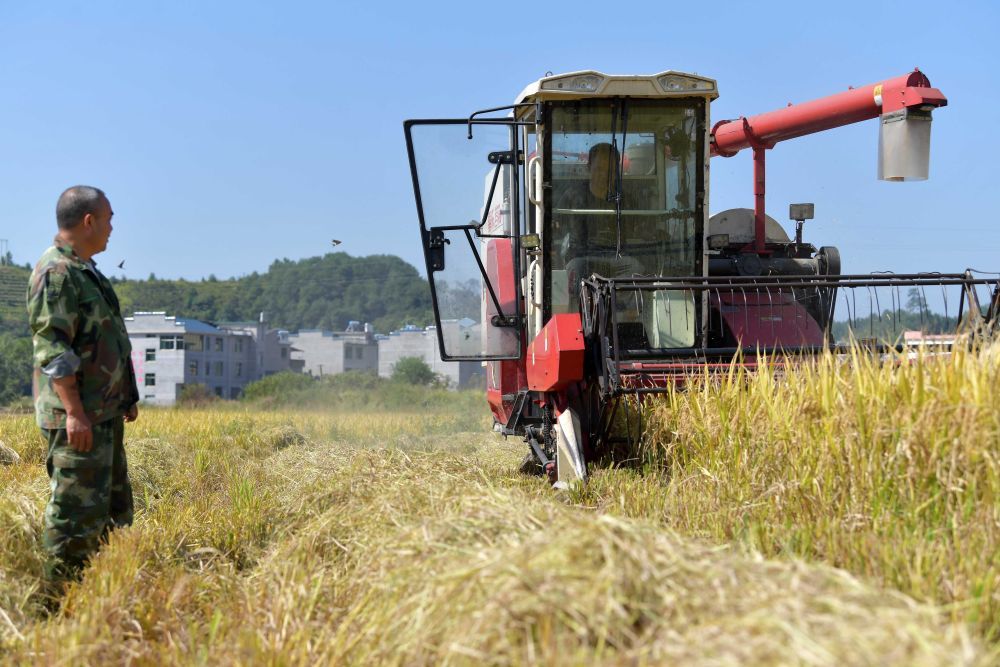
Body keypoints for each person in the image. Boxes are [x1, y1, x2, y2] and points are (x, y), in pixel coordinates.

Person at [26, 185, 139, 587]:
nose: (112, 227)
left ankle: (97, 599)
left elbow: (102, 340)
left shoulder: (83, 269)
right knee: (74, 521)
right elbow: (53, 348)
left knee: (111, 515)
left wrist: (126, 395)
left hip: (101, 415)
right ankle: (55, 607)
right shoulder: (57, 272)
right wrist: (74, 412)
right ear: (88, 220)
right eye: (108, 218)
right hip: (78, 420)